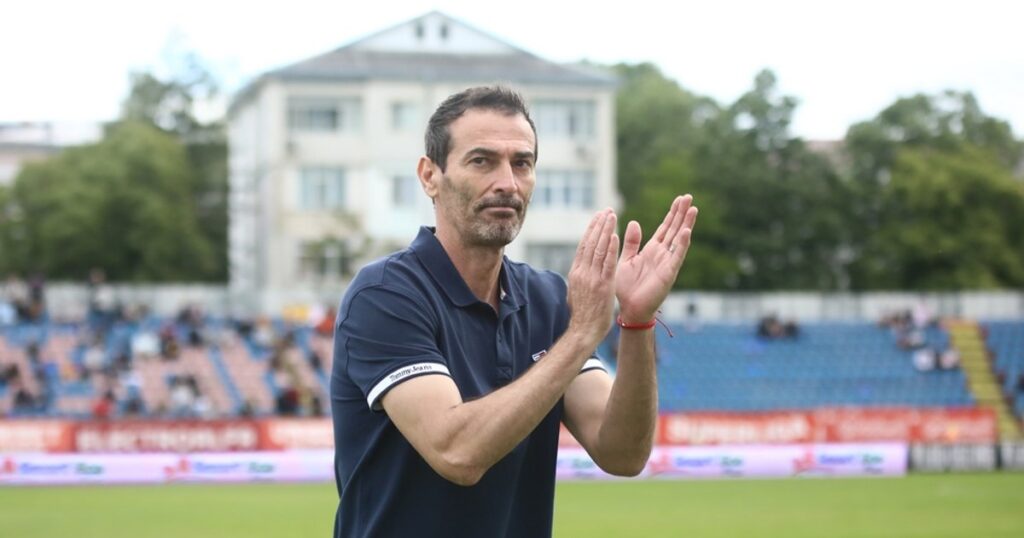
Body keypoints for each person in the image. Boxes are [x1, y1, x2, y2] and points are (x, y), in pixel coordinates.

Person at [330, 86, 698, 537]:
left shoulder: (547, 298)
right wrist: (581, 336)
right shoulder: (385, 294)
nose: (507, 182)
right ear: (430, 175)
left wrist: (637, 323)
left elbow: (622, 453)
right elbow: (457, 453)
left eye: (521, 163)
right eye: (482, 161)